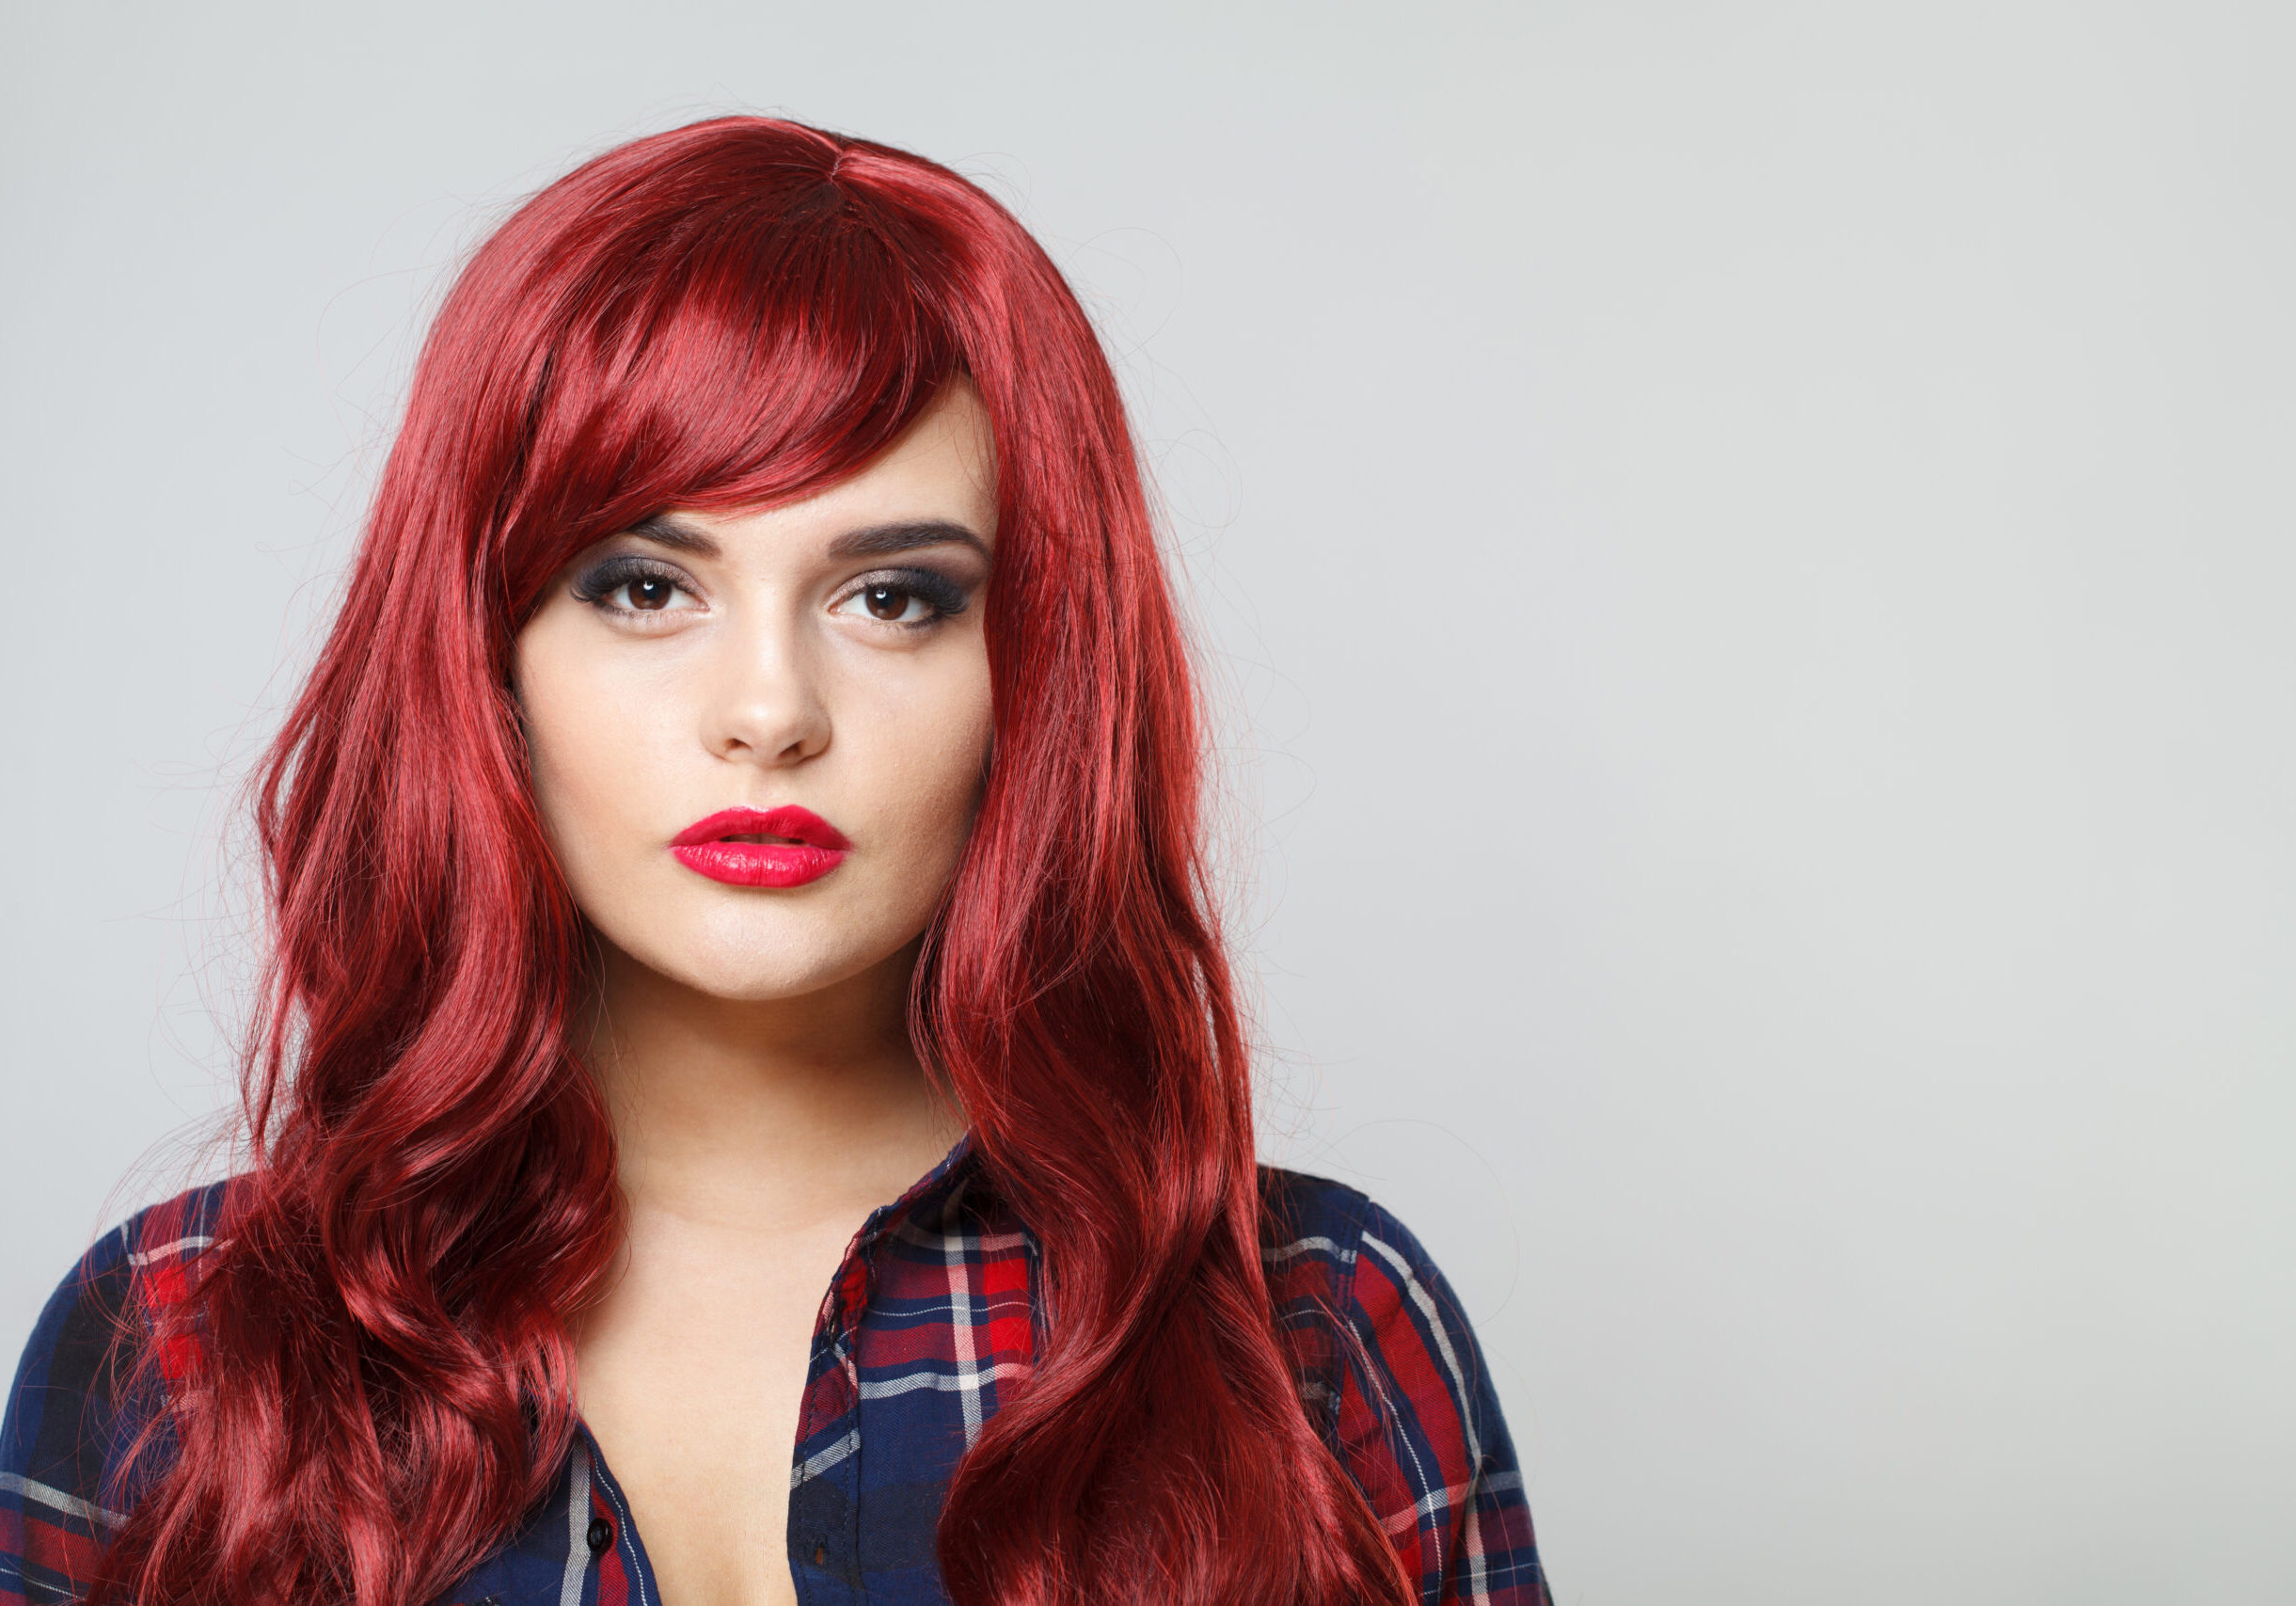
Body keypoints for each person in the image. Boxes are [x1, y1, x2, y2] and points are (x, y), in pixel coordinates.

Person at [0, 118, 1551, 1606]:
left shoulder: (1307, 1332)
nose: (767, 714)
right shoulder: (186, 1344)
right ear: (487, 656)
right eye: (640, 585)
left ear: (1036, 669)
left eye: (892, 598)